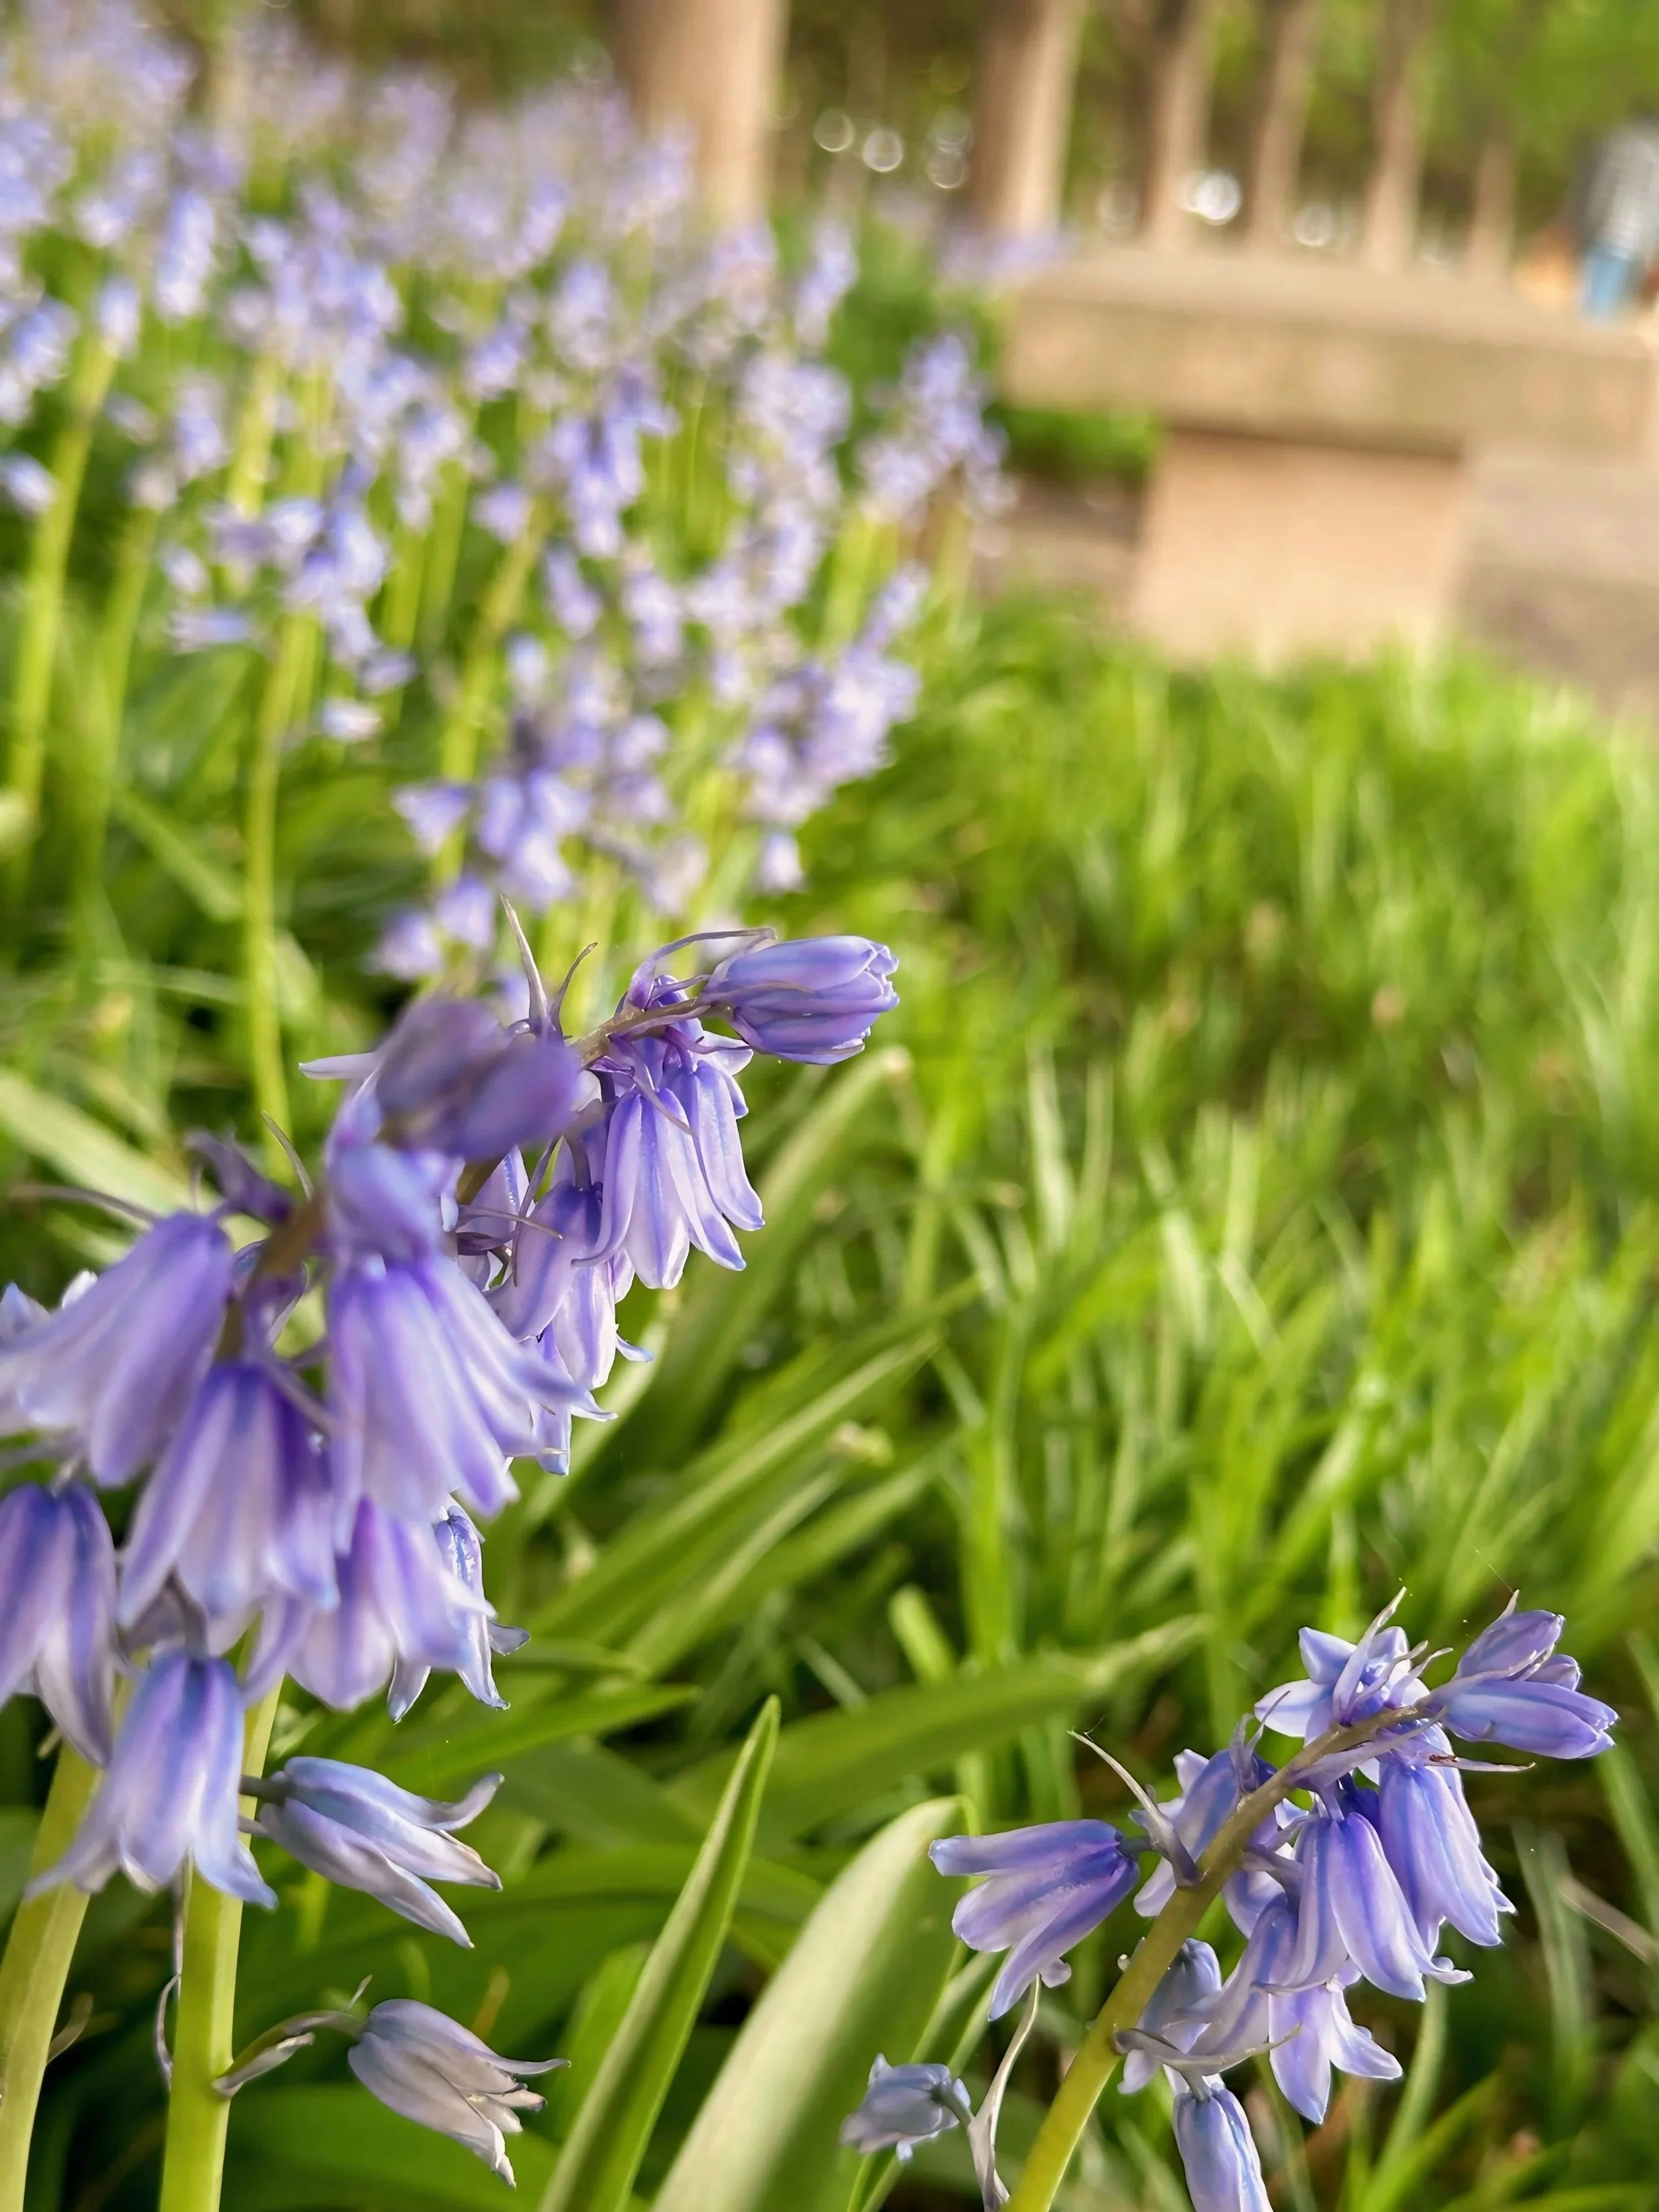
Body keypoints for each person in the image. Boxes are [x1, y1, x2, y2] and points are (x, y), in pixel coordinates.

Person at [1573, 123, 1659, 320]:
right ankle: (1596, 327)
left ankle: (1591, 324)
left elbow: (1601, 189)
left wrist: (1592, 219)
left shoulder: (1617, 148)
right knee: (1606, 296)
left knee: (1593, 290)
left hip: (1607, 227)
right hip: (1632, 236)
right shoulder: (1654, 158)